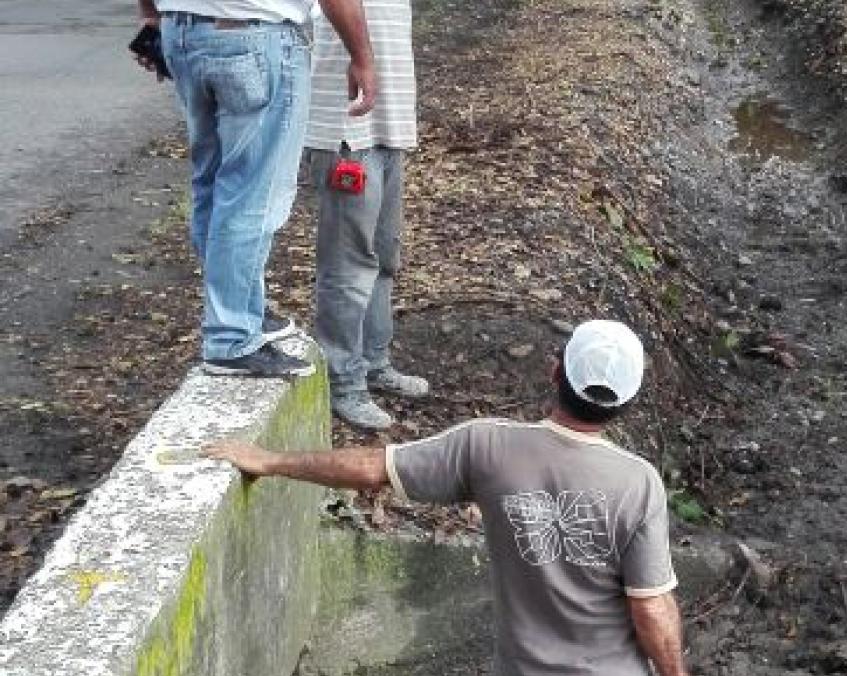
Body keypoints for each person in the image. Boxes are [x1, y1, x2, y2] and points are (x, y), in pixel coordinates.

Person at [204, 320, 689, 676]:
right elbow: (651, 610)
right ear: (628, 403)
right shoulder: (637, 483)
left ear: (554, 373)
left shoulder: (486, 446)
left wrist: (270, 461)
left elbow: (372, 468)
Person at [134, 0, 377, 377]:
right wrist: (362, 57)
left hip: (181, 32)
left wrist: (152, 16)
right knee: (252, 190)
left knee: (212, 182)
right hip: (255, 36)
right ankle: (231, 337)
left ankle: (241, 309)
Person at [304, 0, 427, 429]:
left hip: (388, 124)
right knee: (348, 264)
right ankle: (343, 382)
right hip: (346, 130)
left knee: (383, 255)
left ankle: (375, 362)